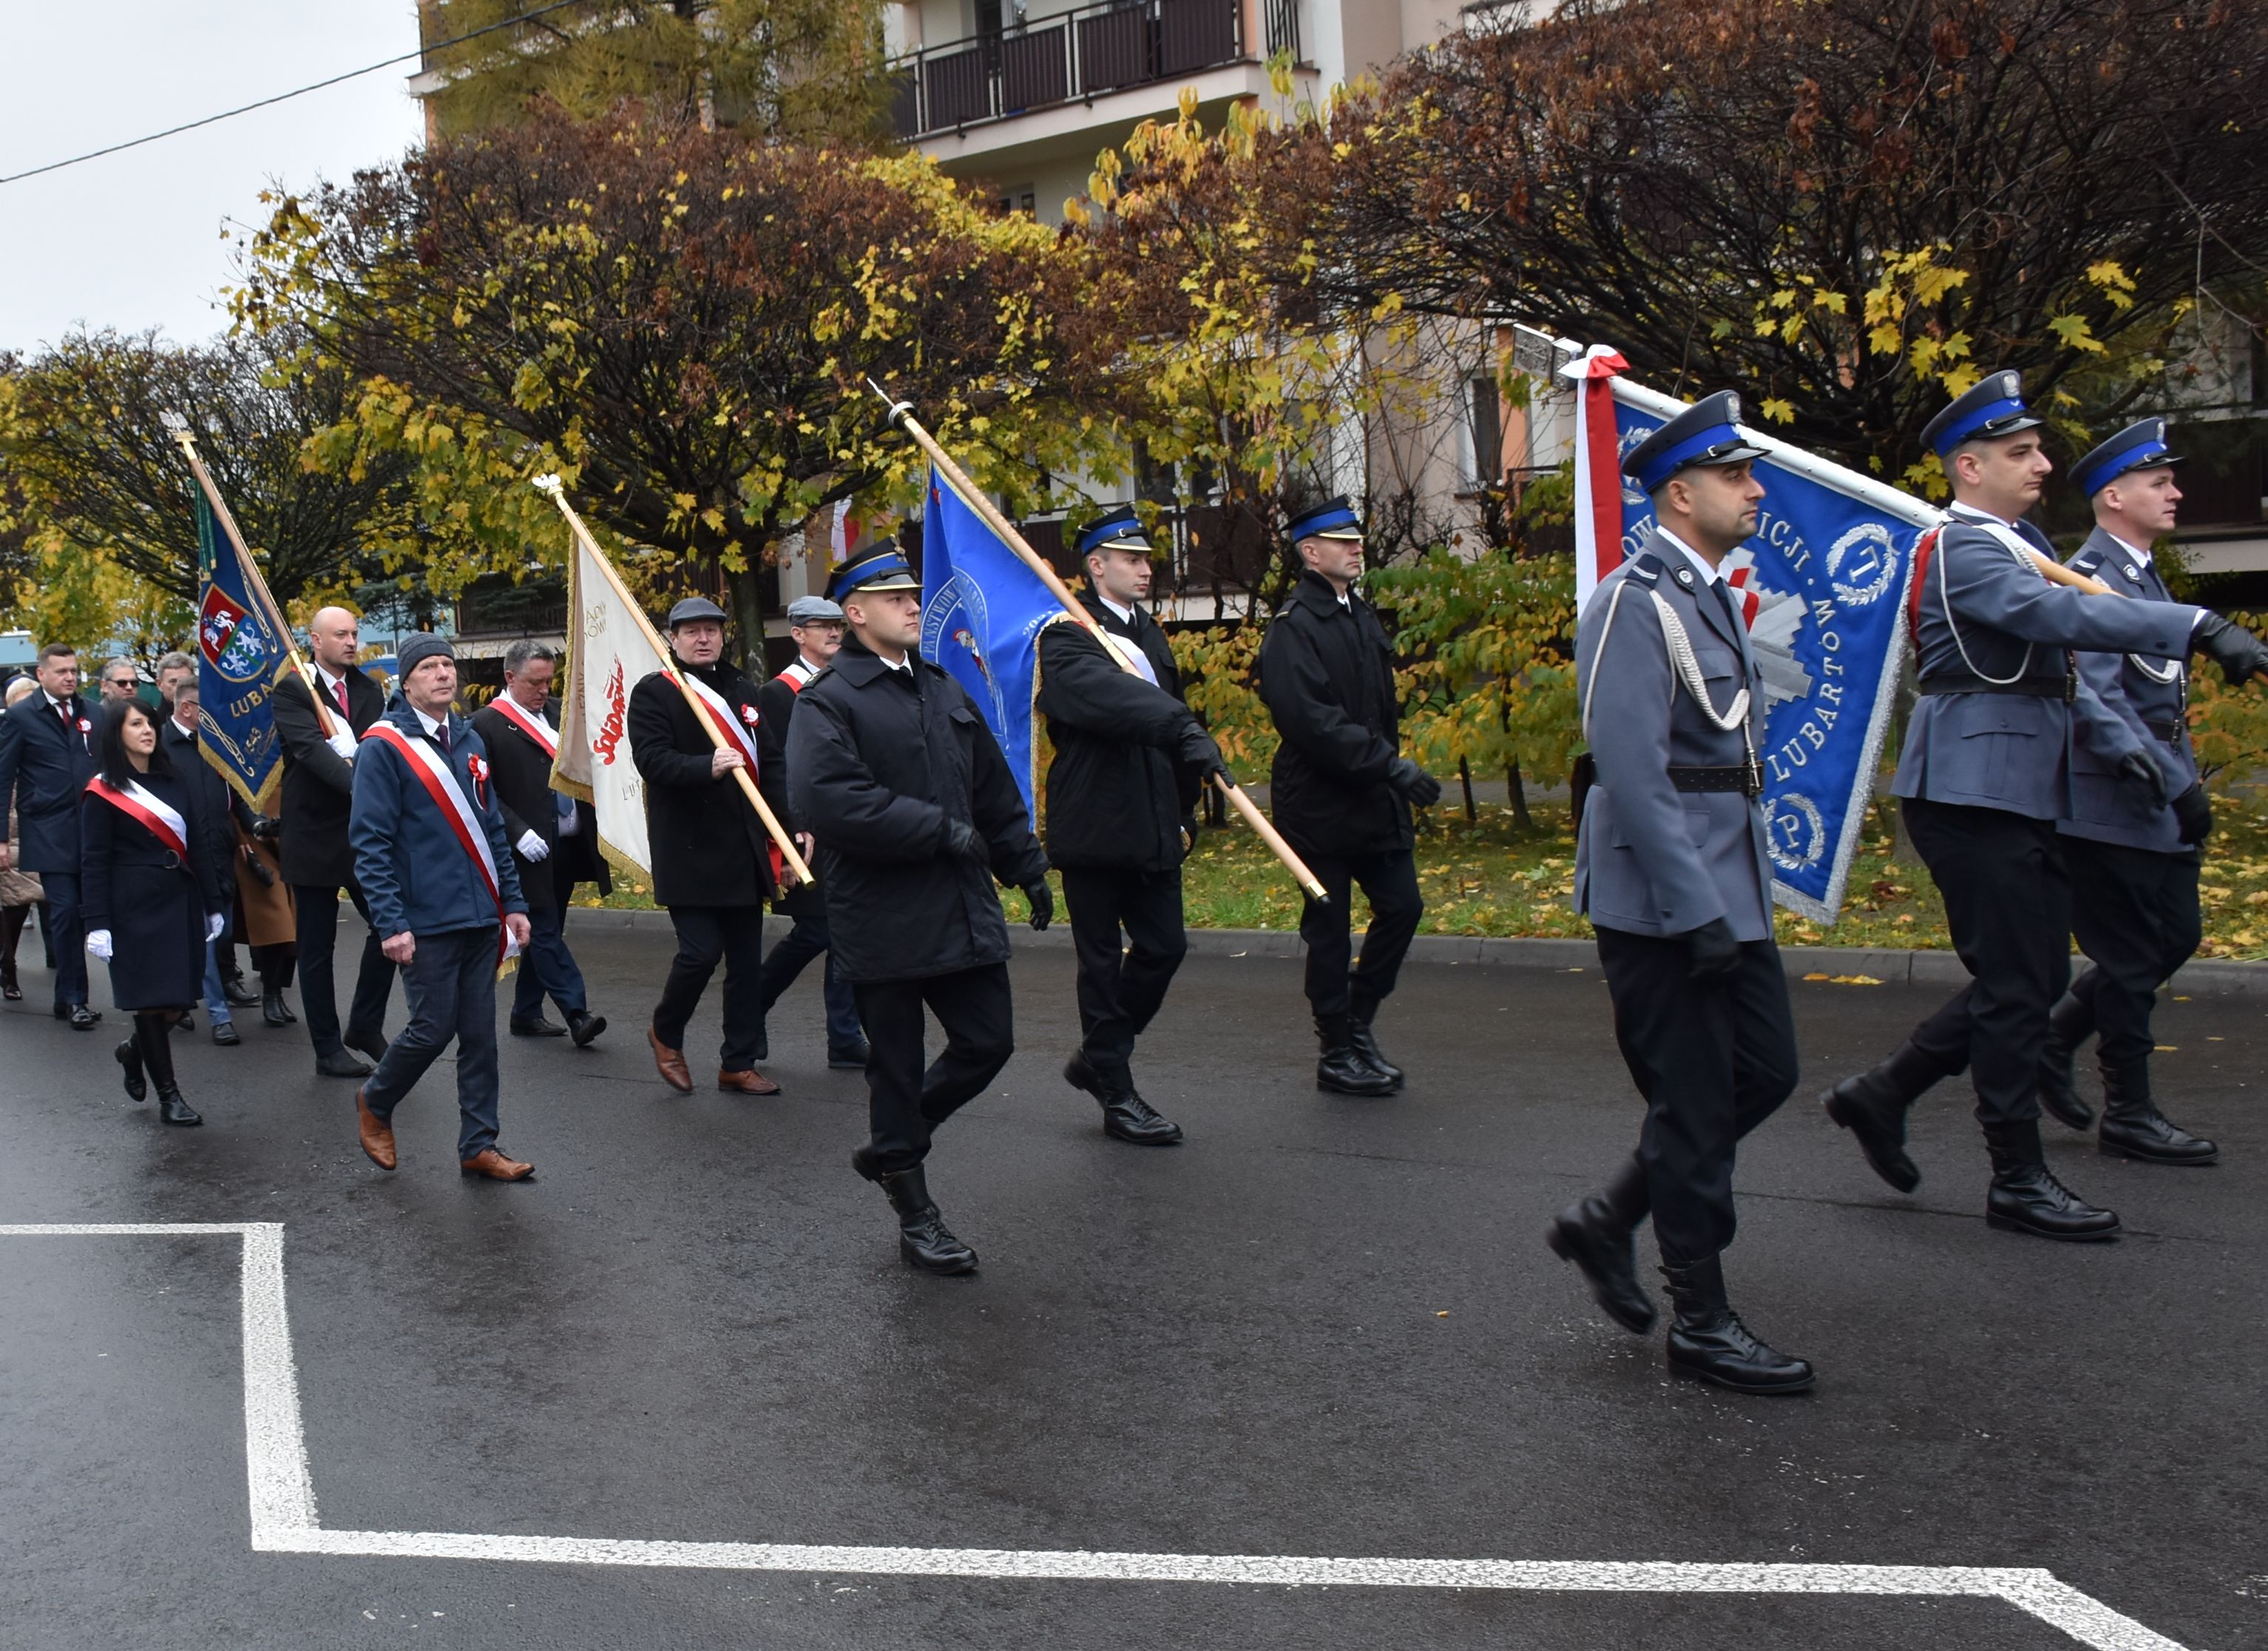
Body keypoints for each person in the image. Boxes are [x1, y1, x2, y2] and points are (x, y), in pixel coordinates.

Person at [1820, 373, 2268, 1241]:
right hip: (1971, 794)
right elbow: (2053, 616)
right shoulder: (1968, 550)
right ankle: (2015, 1177)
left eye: (2037, 449)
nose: (2041, 463)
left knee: (2024, 978)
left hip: (2018, 795)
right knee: (2023, 983)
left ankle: (1882, 1095)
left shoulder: (2015, 539)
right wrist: (2197, 624)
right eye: (2019, 452)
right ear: (1967, 466)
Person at [1550, 392, 1810, 1394]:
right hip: (1666, 897)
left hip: (1719, 887)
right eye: (1735, 476)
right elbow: (1629, 764)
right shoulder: (1633, 598)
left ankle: (1607, 1216)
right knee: (1698, 1105)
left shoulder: (1703, 591)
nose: (1751, 491)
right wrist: (1689, 904)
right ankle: (1699, 1321)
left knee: (1766, 1071)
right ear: (1679, 490)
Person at [788, 542, 1052, 1274]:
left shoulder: (941, 688)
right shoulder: (827, 701)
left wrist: (1024, 864)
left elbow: (992, 788)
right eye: (896, 596)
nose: (913, 604)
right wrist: (937, 829)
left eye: (914, 595)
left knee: (987, 1043)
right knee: (895, 1070)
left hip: (961, 908)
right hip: (884, 915)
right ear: (856, 611)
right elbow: (830, 801)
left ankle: (893, 1145)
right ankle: (916, 1214)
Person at [2035, 421, 2219, 1165]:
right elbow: (2094, 695)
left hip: (2155, 799)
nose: (2174, 492)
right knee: (2140, 952)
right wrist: (2171, 781)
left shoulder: (2140, 573)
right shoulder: (2092, 577)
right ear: (2114, 495)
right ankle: (2130, 1112)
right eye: (2158, 482)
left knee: (2170, 937)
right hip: (2115, 804)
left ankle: (2055, 1038)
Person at [1036, 505, 1229, 1144]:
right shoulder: (1065, 635)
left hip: (1151, 820)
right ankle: (1117, 1090)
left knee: (1164, 946)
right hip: (1094, 821)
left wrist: (1184, 809)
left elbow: (1170, 723)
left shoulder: (1148, 632)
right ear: (1096, 566)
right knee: (1099, 962)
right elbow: (1113, 701)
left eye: (1147, 559)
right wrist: (1180, 727)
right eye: (1132, 559)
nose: (1146, 568)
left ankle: (1098, 1057)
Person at [1257, 495, 1438, 1097]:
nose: (1356, 546)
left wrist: (1389, 772)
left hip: (1371, 798)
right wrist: (1393, 768)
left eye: (1356, 538)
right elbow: (1312, 723)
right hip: (1317, 805)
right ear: (1311, 553)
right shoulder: (1292, 629)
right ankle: (1335, 1047)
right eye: (1341, 541)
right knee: (1329, 929)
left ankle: (1357, 1022)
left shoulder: (1359, 614)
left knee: (1402, 907)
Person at [348, 634, 535, 1181]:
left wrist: (513, 903)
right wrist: (391, 922)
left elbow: (492, 827)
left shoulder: (469, 740)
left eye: (447, 665)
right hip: (423, 918)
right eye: (428, 667)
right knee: (433, 1029)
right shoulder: (383, 747)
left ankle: (479, 1143)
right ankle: (376, 1100)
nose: (442, 674)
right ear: (405, 682)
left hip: (480, 914)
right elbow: (371, 843)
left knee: (479, 1034)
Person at [629, 595, 781, 1096]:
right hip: (689, 848)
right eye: (690, 631)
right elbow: (652, 762)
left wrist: (790, 823)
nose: (702, 638)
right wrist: (705, 766)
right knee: (699, 954)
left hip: (743, 847)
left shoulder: (742, 687)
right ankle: (666, 1032)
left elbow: (772, 762)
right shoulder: (655, 692)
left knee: (744, 963)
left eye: (711, 630)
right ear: (672, 639)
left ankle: (738, 1060)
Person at [82, 699, 230, 1126]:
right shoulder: (103, 790)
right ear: (117, 733)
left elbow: (197, 843)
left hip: (178, 899)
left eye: (150, 722)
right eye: (136, 724)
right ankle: (170, 1097)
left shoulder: (173, 779)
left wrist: (212, 904)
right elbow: (93, 860)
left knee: (177, 1004)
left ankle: (133, 1051)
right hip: (132, 907)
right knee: (150, 1002)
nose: (147, 730)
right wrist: (97, 923)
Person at [272, 607, 397, 1077]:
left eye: (354, 633)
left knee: (391, 923)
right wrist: (367, 789)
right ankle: (327, 1048)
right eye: (340, 634)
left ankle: (364, 1023)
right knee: (316, 947)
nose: (350, 641)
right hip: (315, 833)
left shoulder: (369, 689)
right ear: (315, 640)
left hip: (365, 834)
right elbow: (309, 752)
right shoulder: (294, 690)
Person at [752, 594, 867, 1069]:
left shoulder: (850, 685)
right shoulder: (777, 694)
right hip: (805, 832)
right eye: (822, 627)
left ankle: (843, 1037)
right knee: (819, 930)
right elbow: (777, 769)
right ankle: (750, 1005)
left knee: (844, 932)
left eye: (837, 626)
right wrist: (789, 829)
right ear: (797, 634)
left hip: (850, 826)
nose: (834, 633)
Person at [473, 639, 606, 1047]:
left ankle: (526, 1012)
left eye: (549, 681)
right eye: (535, 682)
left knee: (544, 929)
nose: (544, 690)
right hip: (523, 850)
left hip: (564, 843)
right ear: (510, 677)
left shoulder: (560, 713)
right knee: (545, 929)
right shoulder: (484, 724)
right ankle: (577, 1012)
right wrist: (516, 831)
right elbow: (483, 790)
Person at [0, 643, 102, 1028]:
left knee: (82, 912)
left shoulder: (93, 713)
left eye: (74, 670)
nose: (70, 677)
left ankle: (65, 996)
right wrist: (2, 840)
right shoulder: (22, 717)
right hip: (47, 830)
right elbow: (3, 776)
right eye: (61, 671)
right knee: (64, 912)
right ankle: (77, 998)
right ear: (41, 675)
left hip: (90, 828)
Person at [160, 678, 259, 1047]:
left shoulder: (218, 746)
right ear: (187, 708)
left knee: (223, 935)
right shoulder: (161, 748)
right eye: (209, 708)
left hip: (220, 854)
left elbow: (236, 793)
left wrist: (255, 825)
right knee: (203, 938)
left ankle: (179, 1000)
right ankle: (219, 1016)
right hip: (181, 861)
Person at [0, 675, 50, 1001]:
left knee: (19, 902)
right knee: (10, 902)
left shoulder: (44, 739)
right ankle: (8, 967)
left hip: (32, 831)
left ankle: (8, 964)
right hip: (6, 833)